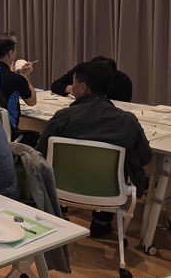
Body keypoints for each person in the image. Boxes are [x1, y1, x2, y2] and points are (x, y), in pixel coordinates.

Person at [36, 60, 152, 238]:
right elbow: (145, 157)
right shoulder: (127, 120)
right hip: (110, 192)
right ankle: (101, 222)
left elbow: (40, 152)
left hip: (63, 186)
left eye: (73, 83)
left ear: (82, 87)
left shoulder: (63, 117)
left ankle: (61, 214)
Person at [0, 32, 36, 131]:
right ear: (10, 53)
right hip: (7, 133)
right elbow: (32, 101)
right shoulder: (16, 79)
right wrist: (24, 75)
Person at [50, 55, 133, 102]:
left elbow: (122, 105)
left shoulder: (123, 81)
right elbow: (55, 85)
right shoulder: (82, 70)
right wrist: (74, 89)